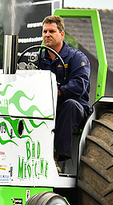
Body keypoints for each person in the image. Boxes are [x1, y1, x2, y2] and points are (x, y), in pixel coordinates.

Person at [38, 15, 92, 162]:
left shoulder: (76, 58)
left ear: (61, 34)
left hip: (75, 108)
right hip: (45, 107)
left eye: (51, 31)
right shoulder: (37, 60)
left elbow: (80, 85)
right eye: (44, 31)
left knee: (70, 105)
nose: (47, 35)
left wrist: (58, 92)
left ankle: (57, 157)